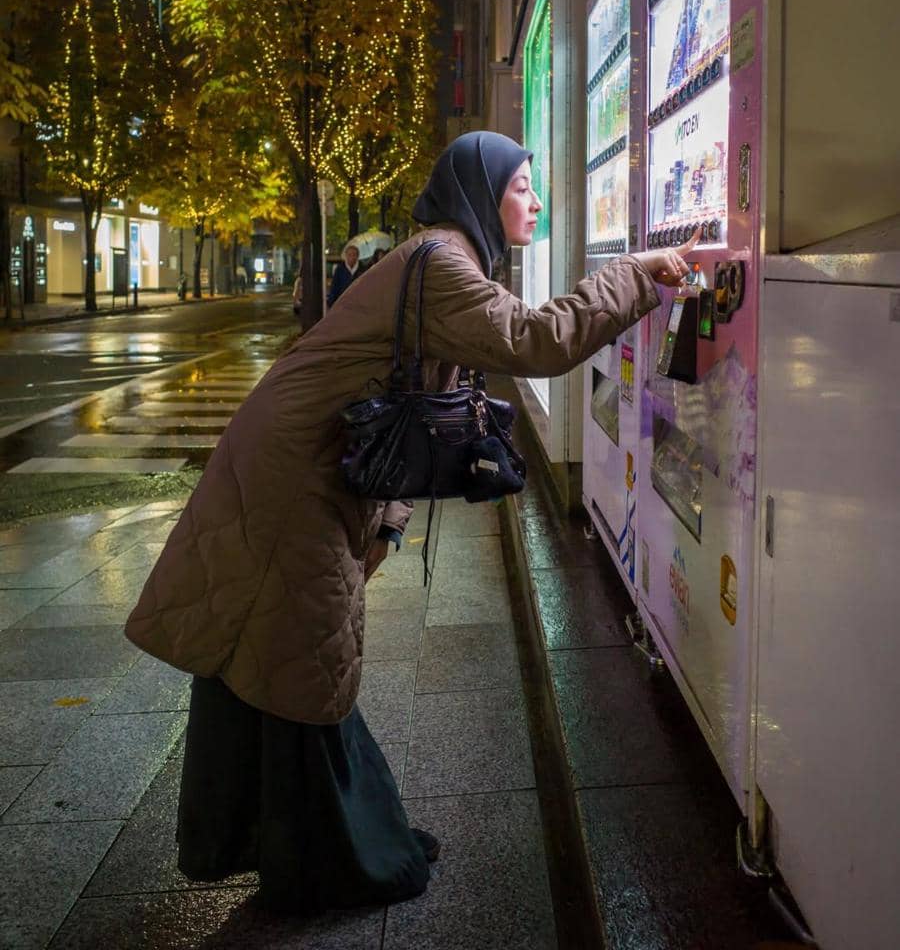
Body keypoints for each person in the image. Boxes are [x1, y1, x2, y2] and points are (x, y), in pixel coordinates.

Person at [124, 131, 697, 916]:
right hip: (294, 473)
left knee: (283, 648)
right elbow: (538, 340)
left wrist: (387, 517)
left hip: (306, 458)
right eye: (523, 184)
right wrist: (634, 274)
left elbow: (412, 403)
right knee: (300, 653)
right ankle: (330, 861)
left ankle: (306, 838)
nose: (535, 199)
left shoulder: (437, 258)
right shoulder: (443, 264)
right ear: (479, 190)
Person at [326, 243, 360, 308]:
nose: (352, 257)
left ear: (357, 256)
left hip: (358, 302)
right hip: (343, 302)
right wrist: (331, 302)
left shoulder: (362, 269)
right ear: (346, 256)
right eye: (349, 255)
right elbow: (335, 286)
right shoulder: (340, 269)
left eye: (354, 255)